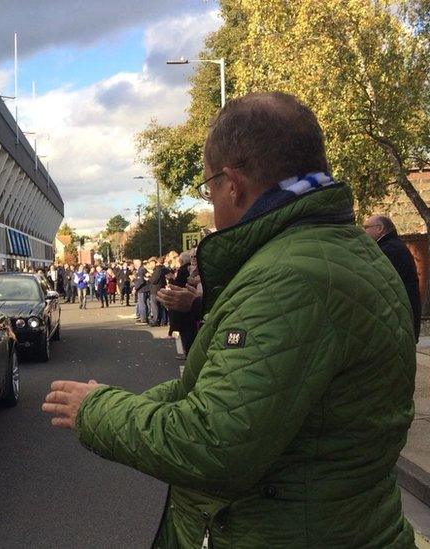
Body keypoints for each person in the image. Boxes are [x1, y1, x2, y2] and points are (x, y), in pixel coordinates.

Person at [43, 92, 417, 546]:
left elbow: (216, 443)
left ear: (233, 184)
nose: (214, 202)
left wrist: (97, 411)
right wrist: (130, 402)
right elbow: (218, 390)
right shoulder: (341, 250)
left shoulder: (290, 276)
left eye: (210, 188)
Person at [364, 215, 422, 335]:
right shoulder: (392, 246)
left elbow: (382, 282)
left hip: (399, 317)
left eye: (366, 227)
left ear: (379, 228)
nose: (364, 232)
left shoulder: (390, 249)